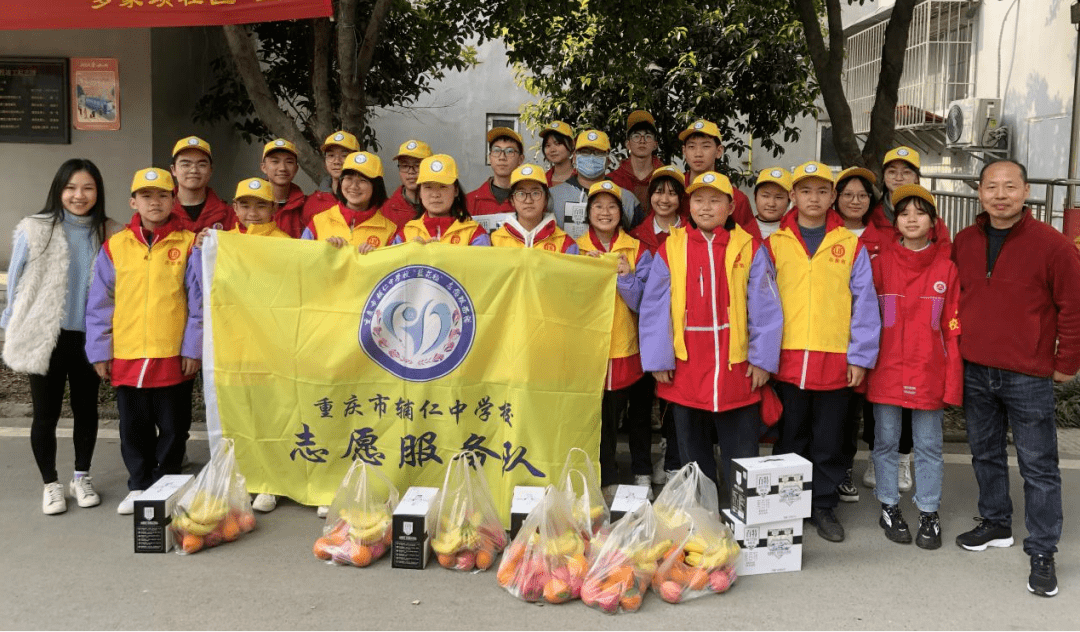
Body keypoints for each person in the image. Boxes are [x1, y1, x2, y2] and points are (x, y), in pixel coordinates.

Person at [952, 159, 1080, 598]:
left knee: (1039, 466)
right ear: (980, 193)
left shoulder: (1054, 245)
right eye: (991, 186)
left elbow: (1073, 307)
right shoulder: (964, 241)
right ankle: (995, 522)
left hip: (1028, 372)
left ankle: (1043, 550)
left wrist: (1069, 361)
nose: (1000, 194)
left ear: (1026, 192)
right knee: (984, 454)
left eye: (1010, 186)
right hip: (976, 368)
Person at [640, 171, 783, 491]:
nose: (706, 207)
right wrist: (658, 358)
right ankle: (704, 519)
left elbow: (766, 307)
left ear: (731, 206)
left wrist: (763, 360)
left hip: (736, 367)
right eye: (699, 200)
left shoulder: (748, 247)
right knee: (693, 450)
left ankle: (740, 516)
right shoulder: (671, 247)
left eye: (715, 200)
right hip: (686, 365)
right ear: (689, 205)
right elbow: (654, 306)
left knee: (741, 451)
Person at [766, 161, 880, 543]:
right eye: (805, 191)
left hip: (835, 358)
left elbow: (865, 303)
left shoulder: (849, 244)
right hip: (788, 358)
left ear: (833, 197)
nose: (813, 198)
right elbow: (760, 304)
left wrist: (860, 356)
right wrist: (763, 356)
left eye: (821, 191)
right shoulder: (775, 244)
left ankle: (824, 505)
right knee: (791, 436)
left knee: (829, 439)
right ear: (793, 196)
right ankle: (788, 506)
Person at [2, 159, 120, 515]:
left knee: (87, 410)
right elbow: (17, 279)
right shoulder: (35, 229)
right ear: (59, 190)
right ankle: (51, 484)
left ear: (98, 191)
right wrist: (9, 328)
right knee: (45, 414)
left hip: (89, 337)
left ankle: (81, 476)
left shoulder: (111, 231)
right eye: (70, 188)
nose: (78, 195)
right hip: (46, 336)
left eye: (87, 188)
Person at [84, 168, 201, 515]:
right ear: (133, 201)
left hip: (172, 353)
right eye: (147, 196)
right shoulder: (115, 246)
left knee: (173, 427)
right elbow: (99, 304)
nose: (155, 202)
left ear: (173, 199)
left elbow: (198, 303)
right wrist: (100, 350)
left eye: (163, 195)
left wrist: (193, 348)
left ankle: (166, 484)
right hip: (128, 353)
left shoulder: (189, 243)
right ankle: (138, 485)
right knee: (133, 426)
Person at [865, 184, 961, 550]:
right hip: (886, 369)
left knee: (929, 447)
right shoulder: (881, 264)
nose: (911, 219)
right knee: (886, 442)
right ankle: (889, 506)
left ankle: (929, 511)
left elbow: (952, 329)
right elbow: (866, 318)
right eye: (904, 213)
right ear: (895, 222)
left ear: (933, 222)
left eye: (920, 213)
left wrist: (952, 382)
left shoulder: (946, 269)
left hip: (927, 372)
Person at [830, 166, 903, 503]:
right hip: (828, 334)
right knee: (839, 409)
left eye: (862, 195)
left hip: (872, 334)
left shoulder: (885, 238)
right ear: (836, 199)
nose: (855, 201)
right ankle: (837, 468)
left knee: (866, 404)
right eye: (848, 194)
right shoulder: (825, 233)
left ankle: (866, 463)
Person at [576, 181, 652, 498]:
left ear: (621, 214)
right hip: (590, 352)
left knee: (637, 415)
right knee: (601, 418)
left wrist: (625, 277)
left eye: (612, 207)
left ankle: (642, 472)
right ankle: (606, 476)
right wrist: (584, 271)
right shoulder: (574, 249)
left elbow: (643, 303)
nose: (605, 213)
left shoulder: (638, 250)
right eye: (598, 207)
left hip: (628, 347)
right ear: (588, 213)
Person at [630, 165, 687, 484]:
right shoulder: (636, 237)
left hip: (682, 331)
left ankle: (672, 457)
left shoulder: (691, 233)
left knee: (675, 402)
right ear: (649, 196)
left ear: (681, 199)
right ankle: (640, 466)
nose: (664, 198)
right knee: (641, 402)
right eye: (658, 191)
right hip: (642, 330)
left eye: (672, 192)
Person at [550, 130, 643, 239]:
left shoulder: (627, 199)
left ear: (608, 160)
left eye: (598, 153)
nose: (591, 157)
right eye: (585, 152)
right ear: (574, 157)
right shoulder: (552, 196)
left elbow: (638, 242)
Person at [302, 151, 396, 253]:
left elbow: (396, 267)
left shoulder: (389, 230)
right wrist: (323, 249)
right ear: (341, 182)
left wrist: (376, 257)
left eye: (363, 180)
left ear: (376, 186)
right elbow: (302, 258)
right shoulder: (319, 221)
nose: (354, 186)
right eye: (349, 178)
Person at [393, 154, 490, 246]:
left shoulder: (474, 233)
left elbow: (484, 262)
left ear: (456, 190)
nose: (435, 194)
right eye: (428, 187)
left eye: (443, 186)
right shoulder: (406, 233)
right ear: (420, 192)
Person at [676, 119, 754, 231]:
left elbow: (750, 242)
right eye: (692, 147)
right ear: (684, 151)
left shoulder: (736, 198)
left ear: (719, 151)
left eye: (706, 146)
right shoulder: (673, 190)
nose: (698, 153)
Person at [489, 164, 578, 253]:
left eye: (535, 193)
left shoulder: (565, 244)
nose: (528, 200)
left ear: (546, 199)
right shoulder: (494, 241)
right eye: (521, 194)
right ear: (512, 200)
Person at [169, 136, 235, 232]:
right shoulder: (162, 212)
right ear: (173, 170)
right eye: (186, 164)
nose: (194, 170)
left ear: (210, 170)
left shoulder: (228, 214)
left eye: (201, 165)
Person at [608, 110, 664, 207]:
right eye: (636, 136)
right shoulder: (613, 180)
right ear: (628, 144)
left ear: (655, 145)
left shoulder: (666, 177)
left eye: (648, 136)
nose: (642, 141)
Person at [466, 127, 524, 219]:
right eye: (497, 150)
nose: (502, 157)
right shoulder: (469, 201)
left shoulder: (529, 201)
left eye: (509, 151)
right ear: (489, 158)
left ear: (520, 159)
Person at [303, 130, 361, 218]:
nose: (337, 161)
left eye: (344, 155)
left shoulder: (367, 199)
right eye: (331, 155)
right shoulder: (313, 202)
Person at [261, 139, 309, 238]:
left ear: (296, 169)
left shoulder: (307, 206)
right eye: (275, 161)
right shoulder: (250, 204)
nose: (282, 168)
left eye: (289, 162)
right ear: (263, 167)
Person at [381, 139, 432, 229]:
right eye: (405, 166)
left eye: (417, 166)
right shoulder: (387, 209)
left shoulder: (443, 204)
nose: (411, 172)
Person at [752, 167, 792, 240]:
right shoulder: (741, 233)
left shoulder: (795, 233)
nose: (771, 204)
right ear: (755, 197)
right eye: (765, 196)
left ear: (789, 199)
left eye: (779, 197)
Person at [540, 121, 575, 187]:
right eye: (548, 145)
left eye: (558, 144)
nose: (552, 150)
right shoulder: (542, 180)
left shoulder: (582, 179)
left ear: (571, 145)